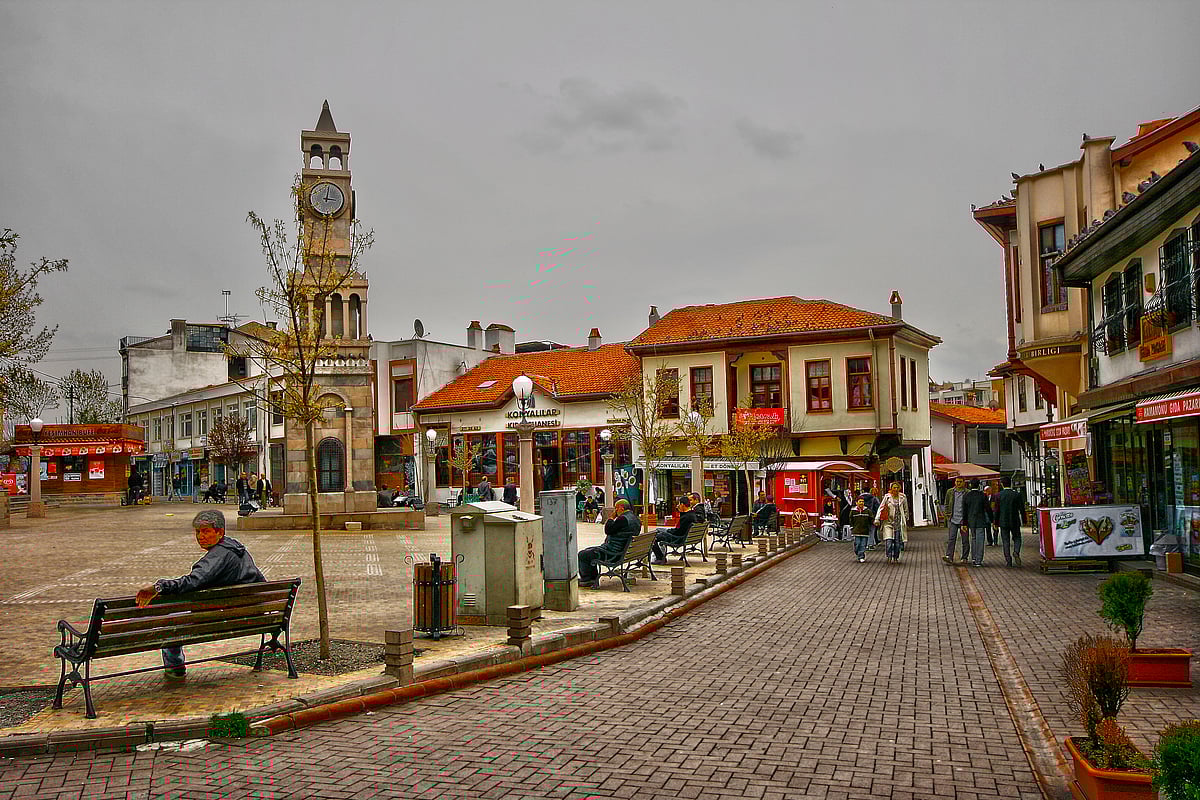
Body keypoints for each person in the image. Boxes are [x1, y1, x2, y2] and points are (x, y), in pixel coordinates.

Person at [135, 510, 265, 677]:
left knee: (171, 622)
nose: (200, 536)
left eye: (206, 531)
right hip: (250, 615)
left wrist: (159, 587)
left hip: (217, 617)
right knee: (178, 614)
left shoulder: (218, 556)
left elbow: (192, 581)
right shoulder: (237, 549)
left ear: (220, 532)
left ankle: (175, 668)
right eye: (197, 531)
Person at [578, 499, 640, 588]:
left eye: (616, 508)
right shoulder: (635, 518)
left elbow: (608, 530)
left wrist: (611, 518)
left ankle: (588, 579)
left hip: (613, 553)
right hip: (623, 551)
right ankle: (591, 578)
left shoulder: (623, 519)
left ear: (621, 508)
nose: (615, 511)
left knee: (583, 554)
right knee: (588, 551)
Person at [651, 497, 697, 564]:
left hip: (677, 538)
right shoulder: (691, 514)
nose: (678, 506)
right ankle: (659, 555)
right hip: (682, 536)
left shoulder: (686, 517)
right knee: (658, 530)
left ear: (682, 504)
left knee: (654, 537)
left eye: (679, 504)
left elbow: (677, 531)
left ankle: (660, 557)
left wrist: (668, 531)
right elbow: (680, 529)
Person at [874, 481, 909, 563]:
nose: (896, 489)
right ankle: (889, 556)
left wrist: (906, 518)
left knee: (897, 542)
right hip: (888, 522)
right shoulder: (887, 497)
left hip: (898, 522)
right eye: (894, 487)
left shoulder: (903, 497)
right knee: (888, 541)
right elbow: (881, 508)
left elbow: (905, 509)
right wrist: (877, 518)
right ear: (891, 488)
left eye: (897, 487)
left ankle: (896, 557)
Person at [994, 476, 1024, 567]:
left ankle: (1008, 560)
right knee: (1017, 538)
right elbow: (1021, 509)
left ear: (1002, 484)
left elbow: (997, 510)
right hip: (1015, 520)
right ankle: (1016, 551)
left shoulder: (998, 495)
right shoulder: (1017, 495)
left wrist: (995, 522)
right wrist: (1024, 520)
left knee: (1005, 541)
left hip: (1003, 521)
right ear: (1010, 483)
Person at [963, 479, 993, 567]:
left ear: (970, 485)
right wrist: (992, 519)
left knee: (973, 538)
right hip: (980, 520)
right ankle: (978, 560)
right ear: (979, 485)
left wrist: (964, 523)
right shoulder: (982, 495)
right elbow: (988, 508)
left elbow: (964, 510)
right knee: (980, 540)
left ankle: (973, 557)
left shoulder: (967, 495)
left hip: (971, 520)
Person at [942, 477, 970, 565]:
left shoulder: (967, 493)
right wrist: (947, 515)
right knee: (951, 538)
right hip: (952, 519)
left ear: (963, 482)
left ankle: (964, 557)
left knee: (965, 540)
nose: (958, 483)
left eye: (960, 482)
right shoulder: (950, 492)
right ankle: (949, 556)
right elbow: (946, 503)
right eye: (957, 481)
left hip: (963, 520)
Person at [850, 497, 873, 563]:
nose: (861, 503)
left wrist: (874, 522)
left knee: (863, 544)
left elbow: (871, 519)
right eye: (860, 501)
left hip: (865, 531)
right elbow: (851, 520)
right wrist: (852, 527)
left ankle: (861, 556)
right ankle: (858, 552)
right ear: (856, 503)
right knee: (857, 543)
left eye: (862, 501)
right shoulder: (853, 511)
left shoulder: (867, 511)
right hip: (856, 530)